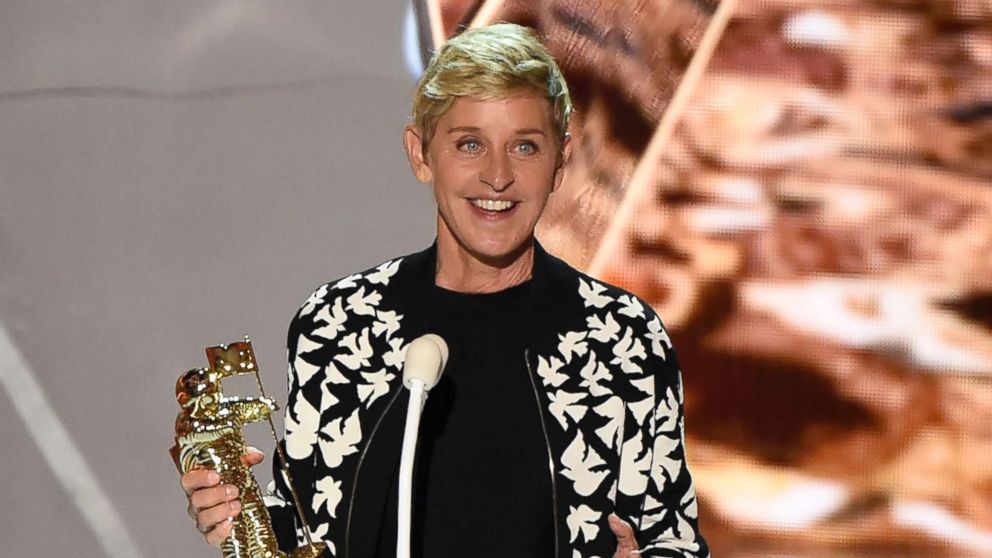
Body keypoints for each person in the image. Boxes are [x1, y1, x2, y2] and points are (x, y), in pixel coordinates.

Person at [181, 22, 709, 558]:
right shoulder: (338, 325)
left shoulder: (621, 338)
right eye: (470, 144)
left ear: (561, 161)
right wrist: (239, 514)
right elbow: (310, 526)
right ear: (421, 154)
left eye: (525, 146)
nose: (497, 176)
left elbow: (674, 540)